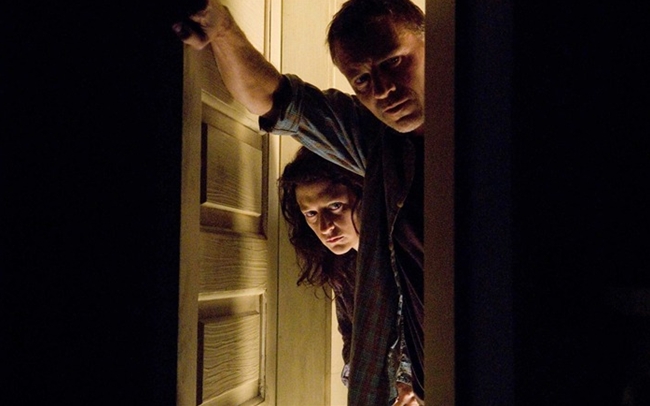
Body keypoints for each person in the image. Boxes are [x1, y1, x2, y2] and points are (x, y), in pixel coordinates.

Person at [173, 0, 425, 404]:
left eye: (394, 62)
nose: (382, 90)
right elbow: (278, 100)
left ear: (436, 45)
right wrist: (222, 30)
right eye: (361, 79)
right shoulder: (380, 145)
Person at [278, 147, 419, 406]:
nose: (325, 227)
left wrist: (408, 381)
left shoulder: (403, 247)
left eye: (335, 206)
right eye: (311, 214)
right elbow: (352, 338)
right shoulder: (343, 269)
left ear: (362, 195)